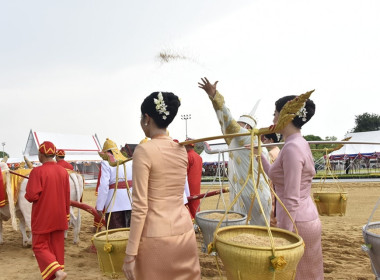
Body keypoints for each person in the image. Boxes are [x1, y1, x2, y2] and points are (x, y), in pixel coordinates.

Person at [123, 91, 201, 280]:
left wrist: (130, 252)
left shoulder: (143, 150)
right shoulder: (181, 150)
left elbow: (140, 206)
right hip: (184, 232)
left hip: (155, 236)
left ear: (147, 118)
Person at [260, 95, 324, 279]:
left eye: (275, 114)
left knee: (299, 274)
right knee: (307, 271)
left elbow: (291, 196)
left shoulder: (292, 148)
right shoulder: (296, 143)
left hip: (297, 221)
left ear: (285, 116)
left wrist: (285, 235)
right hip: (301, 217)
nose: (272, 119)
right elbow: (275, 174)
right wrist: (259, 156)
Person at [198, 77, 272, 226]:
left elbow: (227, 121)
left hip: (250, 196)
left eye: (239, 126)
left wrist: (214, 96)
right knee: (258, 235)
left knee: (248, 236)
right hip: (257, 195)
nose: (235, 128)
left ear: (248, 128)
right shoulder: (255, 142)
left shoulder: (243, 136)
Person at [25, 141, 70, 280]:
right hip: (60, 216)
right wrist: (66, 215)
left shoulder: (37, 171)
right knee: (57, 250)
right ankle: (57, 274)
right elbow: (67, 195)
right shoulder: (63, 171)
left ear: (41, 154)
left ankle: (58, 272)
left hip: (43, 217)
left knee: (39, 246)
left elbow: (31, 196)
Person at [96, 138, 132, 230]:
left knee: (115, 235)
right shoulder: (129, 162)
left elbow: (104, 186)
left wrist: (100, 207)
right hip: (131, 202)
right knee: (130, 234)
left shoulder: (106, 162)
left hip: (114, 204)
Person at [261, 133, 281, 227]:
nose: (263, 141)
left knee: (272, 205)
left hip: (272, 182)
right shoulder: (278, 151)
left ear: (271, 140)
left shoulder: (271, 154)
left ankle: (273, 225)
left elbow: (268, 171)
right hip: (279, 183)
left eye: (265, 139)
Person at [185, 138, 203, 220]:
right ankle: (198, 221)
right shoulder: (199, 157)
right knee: (196, 205)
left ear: (187, 146)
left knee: (189, 205)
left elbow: (184, 172)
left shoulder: (187, 156)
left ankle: (194, 224)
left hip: (189, 185)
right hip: (197, 185)